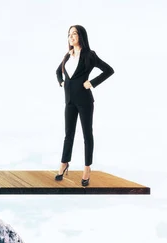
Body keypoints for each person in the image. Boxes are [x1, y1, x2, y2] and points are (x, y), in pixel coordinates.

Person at [55, 25, 114, 186]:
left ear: (81, 36)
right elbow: (57, 72)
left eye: (74, 33)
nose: (71, 36)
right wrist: (61, 83)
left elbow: (109, 70)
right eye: (69, 34)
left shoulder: (89, 55)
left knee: (87, 135)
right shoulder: (67, 56)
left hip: (84, 101)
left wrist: (92, 83)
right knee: (69, 134)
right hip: (69, 101)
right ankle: (64, 163)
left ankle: (87, 168)